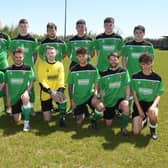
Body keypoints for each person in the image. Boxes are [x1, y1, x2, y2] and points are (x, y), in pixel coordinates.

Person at [67, 47, 104, 128]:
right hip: (78, 98)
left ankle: (93, 119)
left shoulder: (93, 69)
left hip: (90, 95)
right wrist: (72, 100)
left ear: (87, 56)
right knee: (79, 122)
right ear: (77, 57)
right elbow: (70, 86)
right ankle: (84, 111)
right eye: (80, 56)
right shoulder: (73, 70)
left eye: (83, 56)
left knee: (101, 108)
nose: (82, 58)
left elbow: (97, 82)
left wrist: (95, 94)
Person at [131, 53, 164, 140]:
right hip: (139, 103)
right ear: (140, 64)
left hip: (151, 103)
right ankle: (144, 120)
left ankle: (153, 130)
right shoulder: (135, 77)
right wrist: (140, 110)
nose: (146, 66)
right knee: (135, 132)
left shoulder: (157, 77)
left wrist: (153, 106)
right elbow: (134, 95)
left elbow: (158, 95)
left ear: (152, 63)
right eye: (143, 64)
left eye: (148, 64)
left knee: (153, 112)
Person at [9, 19, 38, 116]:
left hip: (29, 68)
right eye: (21, 26)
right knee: (17, 87)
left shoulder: (33, 40)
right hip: (17, 68)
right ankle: (15, 106)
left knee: (31, 89)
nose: (23, 28)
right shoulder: (14, 40)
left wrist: (31, 64)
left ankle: (32, 108)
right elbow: (11, 54)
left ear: (28, 27)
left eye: (25, 26)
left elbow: (35, 55)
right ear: (18, 27)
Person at [99, 53, 130, 136]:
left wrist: (126, 100)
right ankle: (113, 112)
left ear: (118, 60)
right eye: (111, 59)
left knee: (126, 106)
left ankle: (123, 128)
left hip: (120, 100)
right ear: (108, 61)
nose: (113, 61)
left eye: (115, 59)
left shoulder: (124, 71)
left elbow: (127, 86)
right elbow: (101, 90)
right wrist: (102, 101)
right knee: (108, 124)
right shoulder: (104, 74)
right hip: (109, 101)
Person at [5, 48, 34, 131]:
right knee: (16, 120)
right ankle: (23, 109)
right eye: (16, 57)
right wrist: (8, 99)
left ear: (23, 57)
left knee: (25, 97)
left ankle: (26, 124)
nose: (18, 59)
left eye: (20, 57)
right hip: (14, 97)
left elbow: (31, 81)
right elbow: (7, 85)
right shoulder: (8, 70)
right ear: (13, 57)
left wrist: (27, 92)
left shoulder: (28, 68)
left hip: (24, 94)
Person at [37, 46, 66, 127]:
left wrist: (60, 91)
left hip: (57, 91)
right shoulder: (42, 64)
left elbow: (61, 79)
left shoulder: (60, 64)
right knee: (47, 119)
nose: (51, 55)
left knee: (63, 99)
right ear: (46, 54)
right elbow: (42, 81)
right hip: (46, 92)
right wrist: (50, 91)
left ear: (55, 53)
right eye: (48, 53)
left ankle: (62, 118)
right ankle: (51, 108)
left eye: (52, 53)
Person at [0, 20, 11, 112]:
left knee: (5, 87)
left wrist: (4, 59)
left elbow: (9, 51)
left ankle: (7, 107)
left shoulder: (6, 37)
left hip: (4, 65)